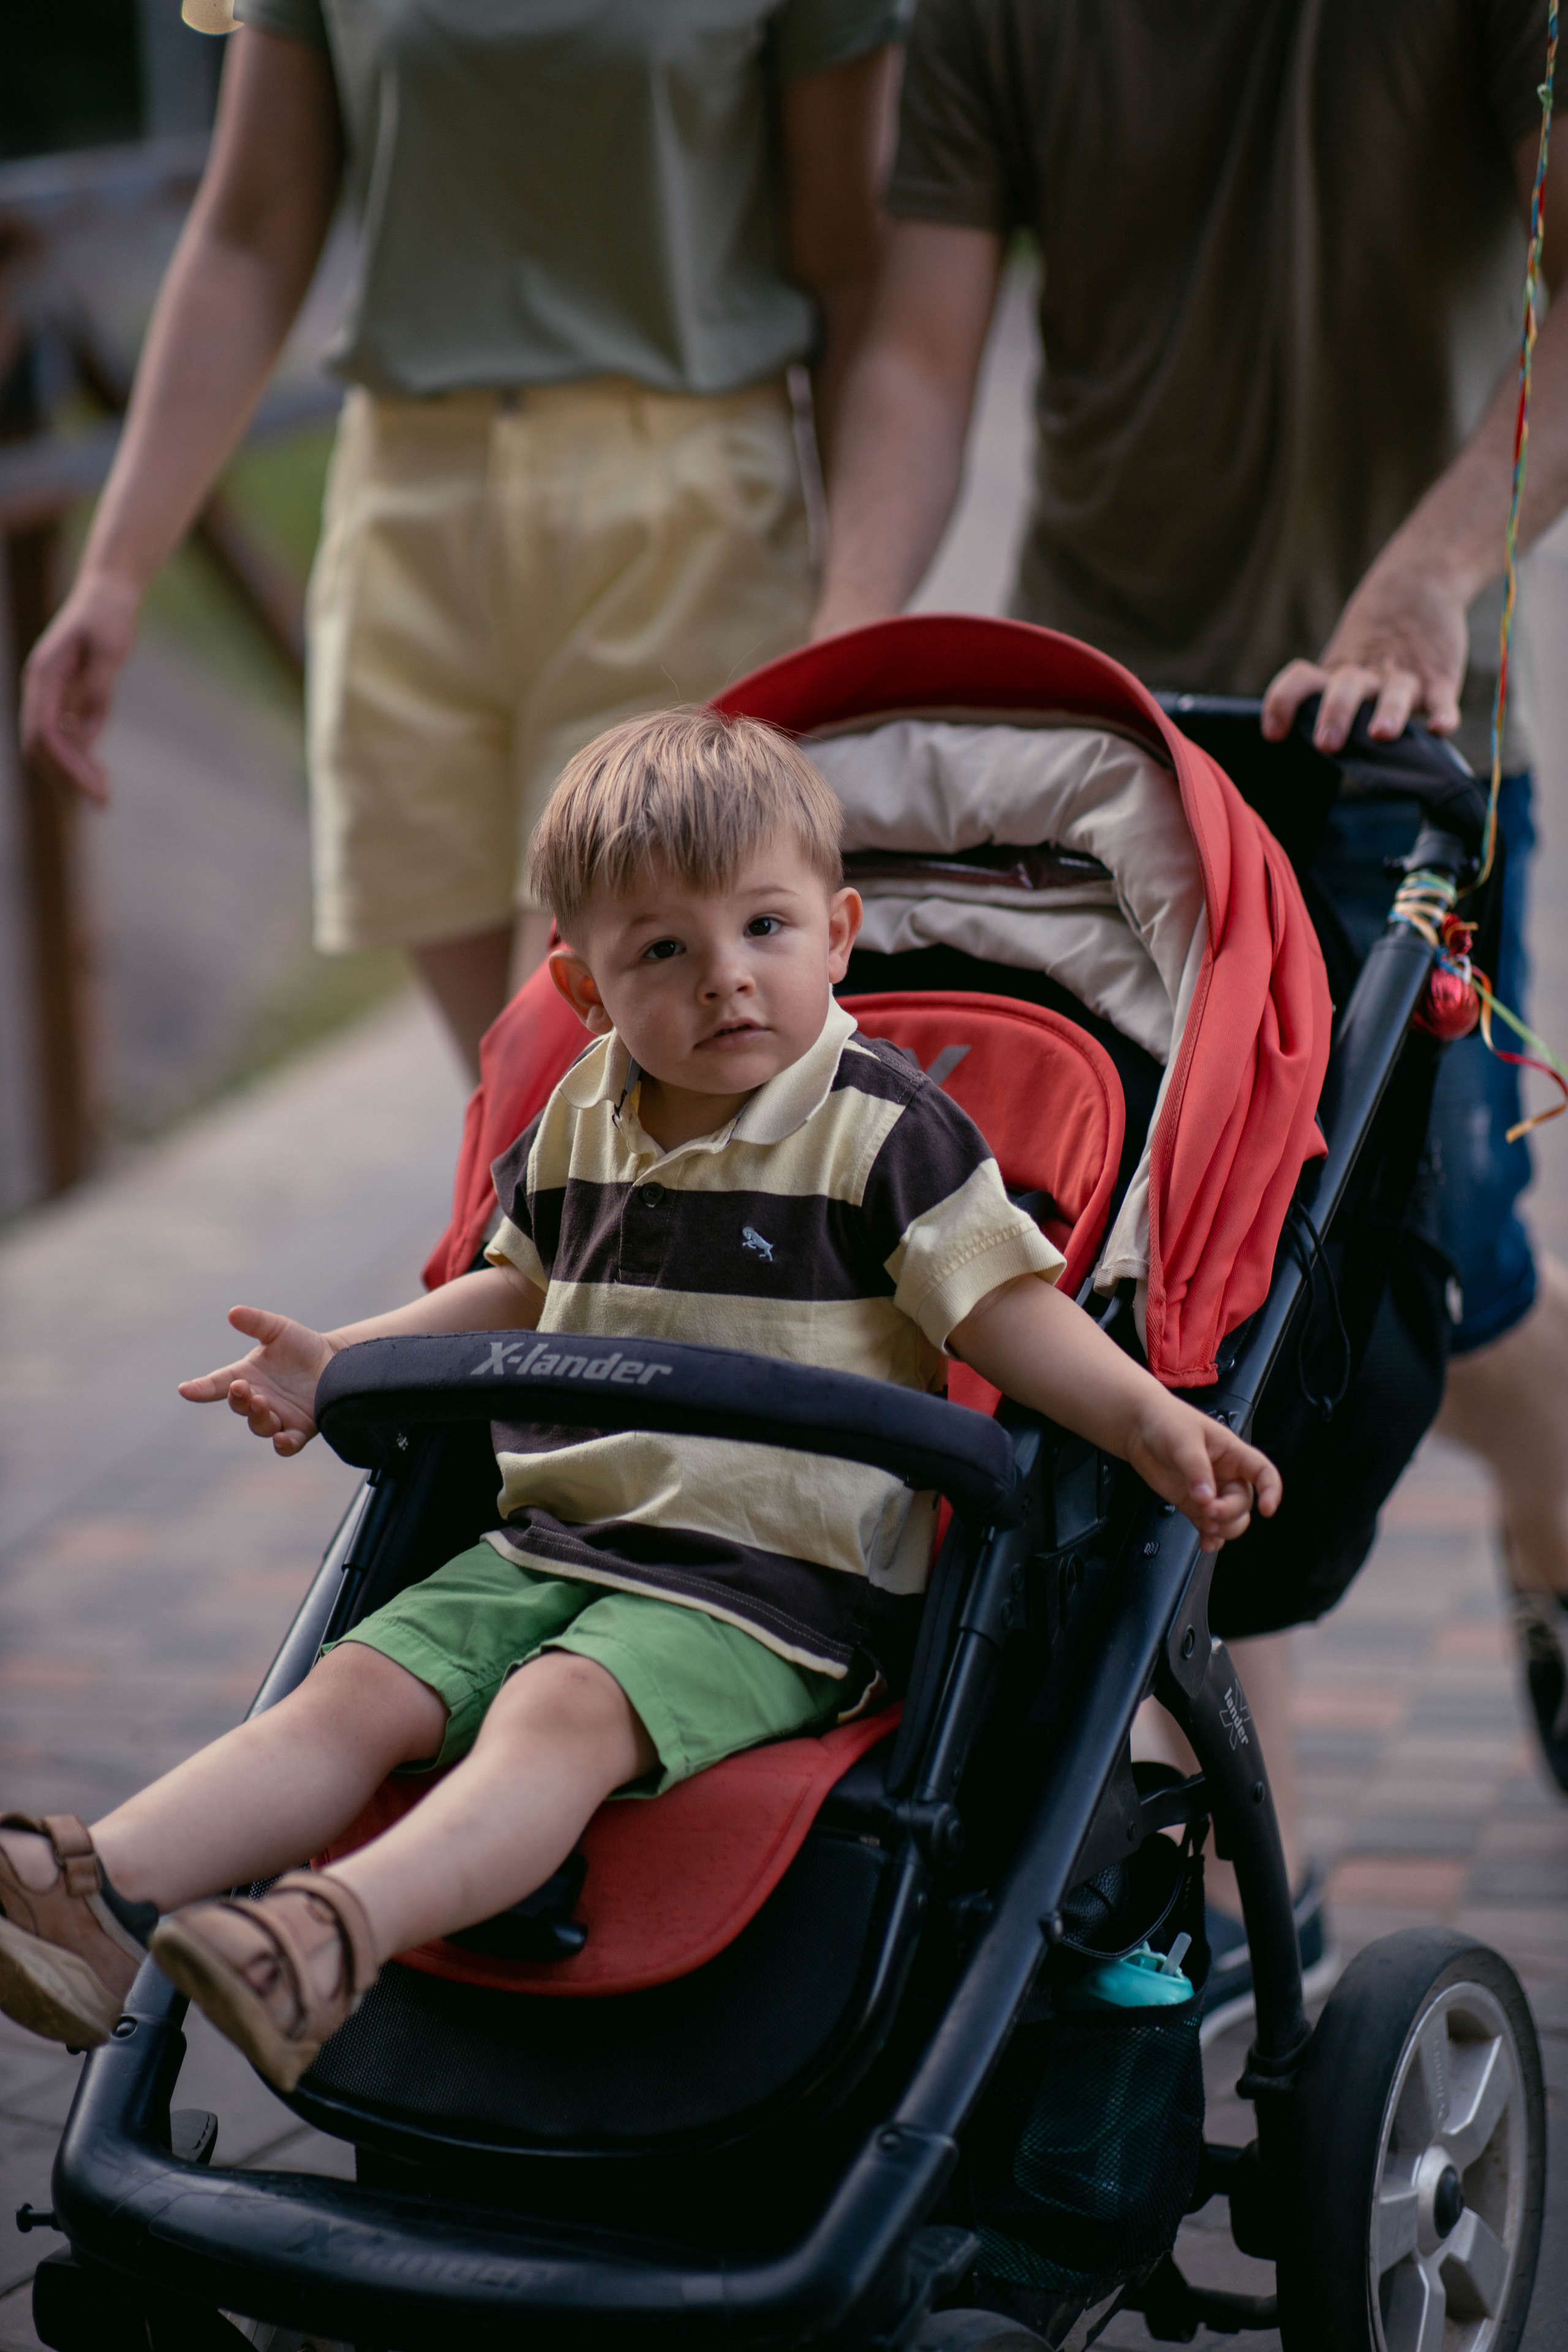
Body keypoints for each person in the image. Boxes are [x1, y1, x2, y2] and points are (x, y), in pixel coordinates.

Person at [0, 707, 1280, 2092]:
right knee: (351, 1687)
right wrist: (346, 1359)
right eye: (664, 950)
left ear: (840, 933)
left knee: (555, 1710)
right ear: (587, 987)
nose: (725, 980)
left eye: (764, 930)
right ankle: (90, 1880)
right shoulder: (582, 1113)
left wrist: (1150, 1419)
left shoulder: (882, 1131)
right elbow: (516, 1289)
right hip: (553, 1541)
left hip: (769, 1590)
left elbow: (1001, 1314)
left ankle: (326, 1935)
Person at [808, 0, 1568, 1997]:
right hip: (1108, 761)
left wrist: (1426, 582)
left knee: (1444, 1296)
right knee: (1188, 1296)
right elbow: (913, 344)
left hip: (1381, 746)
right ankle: (1243, 1889)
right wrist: (842, 654)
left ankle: (1556, 1533)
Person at [18, 3, 899, 1077]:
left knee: (583, 1072)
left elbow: (851, 264)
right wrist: (115, 571)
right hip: (407, 517)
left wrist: (860, 602)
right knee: (517, 1110)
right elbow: (250, 231)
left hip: (683, 519)